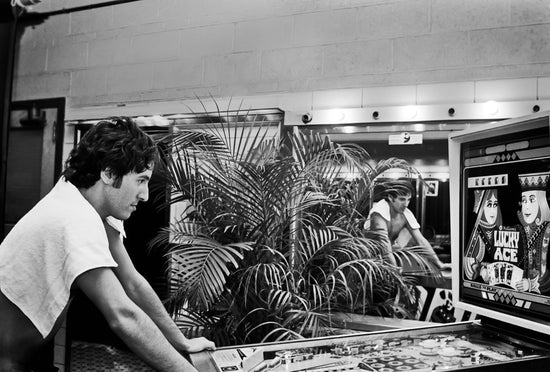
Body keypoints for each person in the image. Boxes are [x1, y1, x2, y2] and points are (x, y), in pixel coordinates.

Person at [0, 117, 215, 372]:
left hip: (27, 354)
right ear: (109, 173)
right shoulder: (73, 217)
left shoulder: (88, 203)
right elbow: (123, 315)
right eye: (141, 180)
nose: (145, 195)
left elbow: (132, 283)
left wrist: (182, 342)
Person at [364, 179, 449, 270]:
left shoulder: (406, 214)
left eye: (408, 200)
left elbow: (421, 240)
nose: (406, 204)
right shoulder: (378, 213)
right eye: (402, 199)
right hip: (368, 261)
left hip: (388, 258)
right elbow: (384, 244)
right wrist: (394, 269)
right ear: (390, 197)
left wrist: (439, 263)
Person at [515, 171, 550, 294]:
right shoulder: (523, 230)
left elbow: (546, 276)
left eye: (532, 200)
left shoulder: (548, 230)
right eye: (524, 201)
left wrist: (530, 284)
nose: (527, 207)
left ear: (541, 202)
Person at [464, 188, 502, 281]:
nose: (493, 210)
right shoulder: (474, 229)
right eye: (489, 205)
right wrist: (481, 270)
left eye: (495, 205)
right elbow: (469, 267)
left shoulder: (499, 230)